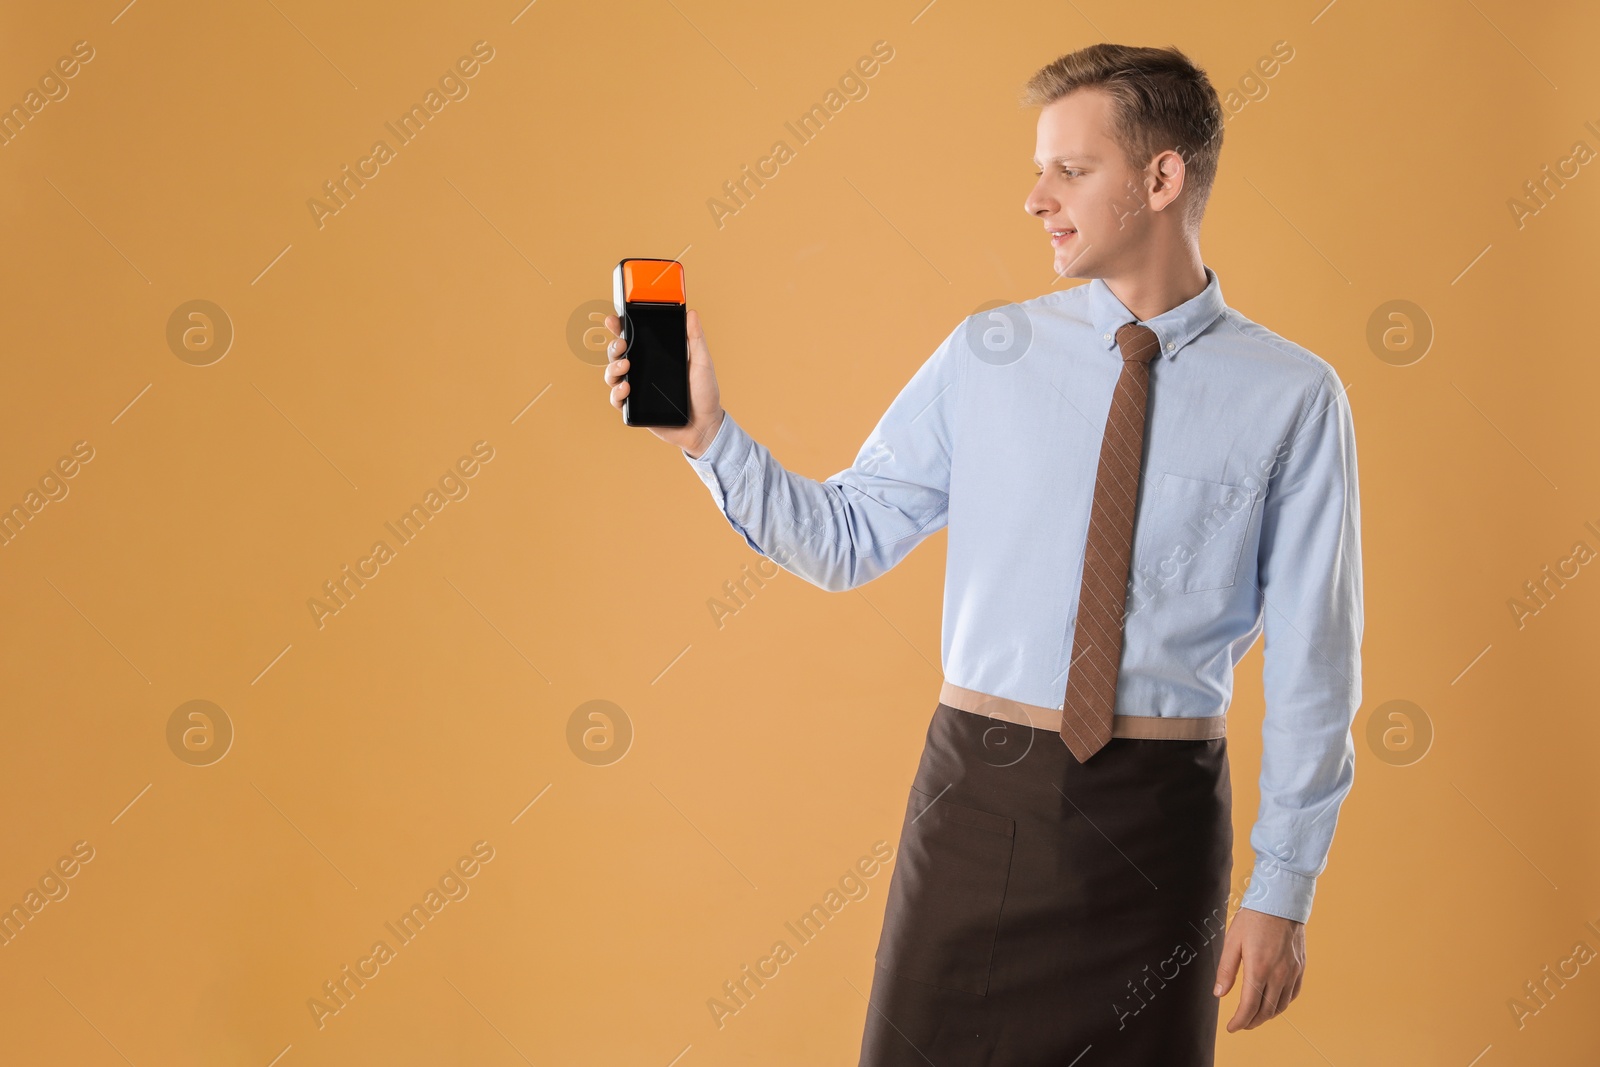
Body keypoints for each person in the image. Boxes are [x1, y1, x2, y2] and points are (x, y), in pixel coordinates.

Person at [601, 41, 1362, 1067]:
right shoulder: (985, 354)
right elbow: (846, 540)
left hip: (1160, 822)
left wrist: (1282, 887)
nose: (1034, 197)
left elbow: (1316, 657)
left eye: (1069, 169)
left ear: (1161, 177)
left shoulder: (1292, 396)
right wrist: (706, 438)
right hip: (977, 803)